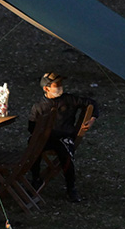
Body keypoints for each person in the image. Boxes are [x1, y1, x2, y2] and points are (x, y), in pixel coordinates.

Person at [28, 72, 99, 203]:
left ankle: (71, 187)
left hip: (64, 137)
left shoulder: (69, 99)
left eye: (61, 84)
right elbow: (31, 127)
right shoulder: (39, 106)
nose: (60, 87)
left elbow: (92, 103)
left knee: (65, 155)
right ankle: (35, 179)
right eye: (57, 84)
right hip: (46, 138)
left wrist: (93, 118)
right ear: (46, 88)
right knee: (33, 148)